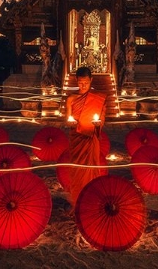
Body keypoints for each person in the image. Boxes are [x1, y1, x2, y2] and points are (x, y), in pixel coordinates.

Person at [64, 66, 106, 210]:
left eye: (86, 83)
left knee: (92, 168)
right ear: (76, 80)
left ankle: (92, 198)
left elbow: (101, 120)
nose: (83, 86)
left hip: (90, 139)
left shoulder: (98, 99)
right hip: (77, 137)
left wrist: (99, 123)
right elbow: (67, 119)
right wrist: (70, 122)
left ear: (91, 80)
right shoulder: (71, 99)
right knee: (77, 170)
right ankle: (77, 199)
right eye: (81, 82)